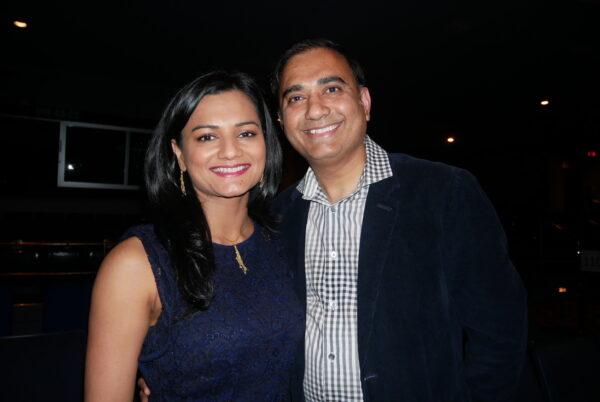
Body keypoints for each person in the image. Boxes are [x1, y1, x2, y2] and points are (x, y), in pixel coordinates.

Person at [270, 39, 528, 401]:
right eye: (296, 97)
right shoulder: (278, 217)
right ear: (283, 122)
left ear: (364, 102)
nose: (315, 110)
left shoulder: (444, 192)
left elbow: (500, 332)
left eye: (331, 88)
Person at [85, 71, 304, 401]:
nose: (230, 151)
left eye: (246, 133)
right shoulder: (137, 264)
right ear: (178, 153)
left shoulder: (286, 240)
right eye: (206, 137)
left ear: (266, 143)